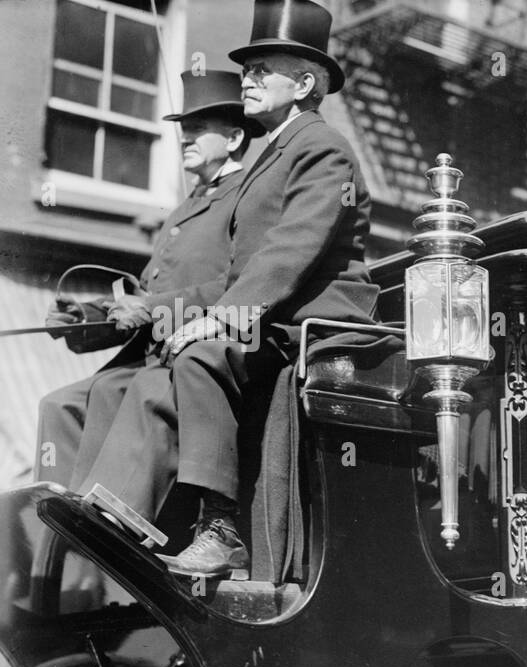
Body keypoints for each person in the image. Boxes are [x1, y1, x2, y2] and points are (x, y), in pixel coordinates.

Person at [76, 0, 381, 577]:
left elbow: (291, 251)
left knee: (201, 355)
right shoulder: (276, 152)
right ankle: (116, 514)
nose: (248, 77)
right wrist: (167, 312)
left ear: (305, 83)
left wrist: (220, 319)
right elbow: (237, 272)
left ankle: (220, 529)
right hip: (275, 314)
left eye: (263, 69)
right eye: (247, 68)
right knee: (161, 361)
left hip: (318, 321)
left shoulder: (324, 147)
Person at [34, 70, 261, 490]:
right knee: (58, 405)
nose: (185, 139)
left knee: (108, 395)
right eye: (183, 130)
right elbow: (145, 294)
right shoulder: (186, 206)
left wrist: (152, 309)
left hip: (195, 358)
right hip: (149, 355)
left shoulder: (248, 195)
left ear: (233, 138)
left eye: (197, 129)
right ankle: (47, 525)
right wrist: (84, 316)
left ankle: (94, 533)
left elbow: (240, 285)